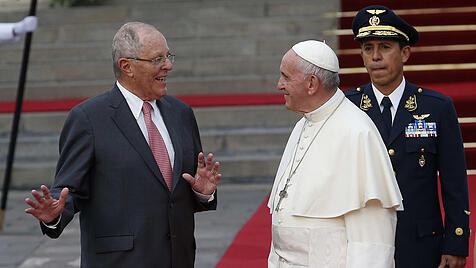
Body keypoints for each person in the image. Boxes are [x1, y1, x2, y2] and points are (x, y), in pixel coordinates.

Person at [24, 22, 221, 267]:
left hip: (177, 258)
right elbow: (68, 190)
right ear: (127, 66)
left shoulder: (181, 113)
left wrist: (203, 193)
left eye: (168, 56)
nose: (168, 65)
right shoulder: (88, 119)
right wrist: (53, 215)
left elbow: (178, 192)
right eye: (158, 59)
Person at [345, 5, 469, 268]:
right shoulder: (347, 108)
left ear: (405, 53)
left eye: (385, 47)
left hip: (422, 245)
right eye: (368, 48)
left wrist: (456, 241)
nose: (375, 56)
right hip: (361, 245)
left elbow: (454, 182)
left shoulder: (436, 107)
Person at [267, 40, 403, 267]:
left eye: (286, 77)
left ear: (311, 84)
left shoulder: (357, 132)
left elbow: (373, 242)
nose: (279, 85)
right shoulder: (303, 124)